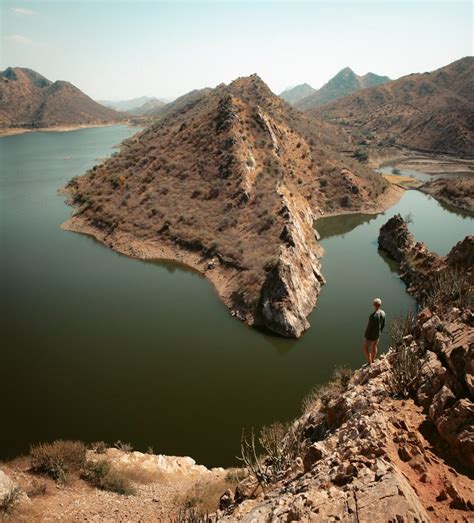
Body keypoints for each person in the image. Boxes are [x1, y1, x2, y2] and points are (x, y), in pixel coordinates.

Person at [363, 298, 385, 365]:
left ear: (374, 305)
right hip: (378, 333)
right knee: (374, 346)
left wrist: (366, 336)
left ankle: (369, 361)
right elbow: (383, 324)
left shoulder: (372, 316)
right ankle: (373, 360)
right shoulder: (383, 313)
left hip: (371, 335)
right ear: (380, 305)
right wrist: (380, 332)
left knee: (365, 347)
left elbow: (369, 327)